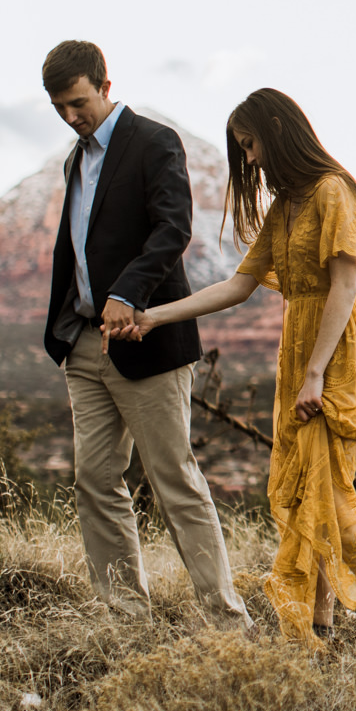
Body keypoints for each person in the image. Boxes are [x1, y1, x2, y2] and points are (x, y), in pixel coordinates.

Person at [110, 87, 356, 667]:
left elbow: (345, 286)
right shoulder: (287, 205)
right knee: (306, 492)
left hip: (335, 353)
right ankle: (319, 633)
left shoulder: (332, 191)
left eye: (250, 144)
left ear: (277, 129)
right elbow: (238, 286)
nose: (250, 159)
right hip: (300, 352)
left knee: (334, 501)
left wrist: (315, 374)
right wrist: (152, 317)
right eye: (242, 150)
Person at [40, 40, 253, 631]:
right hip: (83, 344)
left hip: (148, 343)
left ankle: (226, 622)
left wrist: (128, 293)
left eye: (78, 103)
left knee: (174, 479)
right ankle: (126, 618)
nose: (70, 116)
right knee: (96, 481)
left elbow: (172, 228)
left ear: (106, 86)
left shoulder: (155, 142)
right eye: (59, 107)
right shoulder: (72, 159)